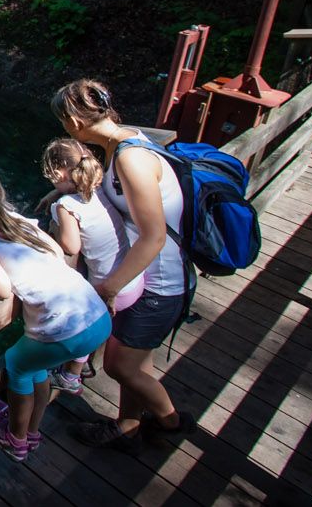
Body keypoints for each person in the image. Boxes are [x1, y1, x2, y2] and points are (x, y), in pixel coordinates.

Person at [51, 78, 197, 454]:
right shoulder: (125, 142)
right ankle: (128, 426)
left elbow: (154, 237)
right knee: (135, 362)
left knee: (120, 366)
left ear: (74, 120)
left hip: (159, 283)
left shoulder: (131, 158)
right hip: (148, 276)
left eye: (63, 121)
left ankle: (171, 423)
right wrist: (62, 192)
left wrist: (109, 287)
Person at [0, 162, 112, 461]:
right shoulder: (21, 220)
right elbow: (55, 251)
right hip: (97, 316)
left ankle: (15, 438)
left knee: (17, 364)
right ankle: (32, 432)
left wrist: (0, 269)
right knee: (37, 366)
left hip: (65, 332)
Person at [40, 137, 144, 394]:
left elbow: (71, 246)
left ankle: (71, 376)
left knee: (83, 323)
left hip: (111, 289)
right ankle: (85, 362)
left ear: (59, 172)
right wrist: (57, 192)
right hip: (133, 279)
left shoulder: (66, 206)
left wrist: (49, 230)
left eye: (52, 178)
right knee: (97, 322)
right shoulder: (97, 189)